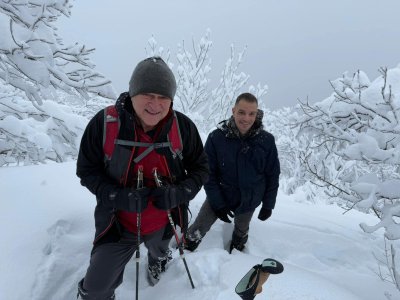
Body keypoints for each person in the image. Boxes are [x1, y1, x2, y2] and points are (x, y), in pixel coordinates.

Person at [76, 56, 208, 299]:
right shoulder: (105, 124)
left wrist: (179, 193)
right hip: (117, 225)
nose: (155, 104)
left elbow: (201, 169)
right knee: (96, 287)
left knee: (159, 250)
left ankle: (156, 259)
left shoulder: (183, 128)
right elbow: (86, 170)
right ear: (132, 92)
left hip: (164, 221)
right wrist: (116, 196)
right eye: (148, 94)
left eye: (163, 97)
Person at [184, 92, 280, 253]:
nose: (246, 118)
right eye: (241, 112)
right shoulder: (216, 138)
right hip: (220, 195)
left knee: (241, 230)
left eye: (251, 114)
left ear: (257, 114)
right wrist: (218, 203)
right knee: (198, 228)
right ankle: (185, 250)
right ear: (233, 111)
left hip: (249, 200)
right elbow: (208, 173)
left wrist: (268, 205)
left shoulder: (266, 141)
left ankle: (237, 251)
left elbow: (272, 174)